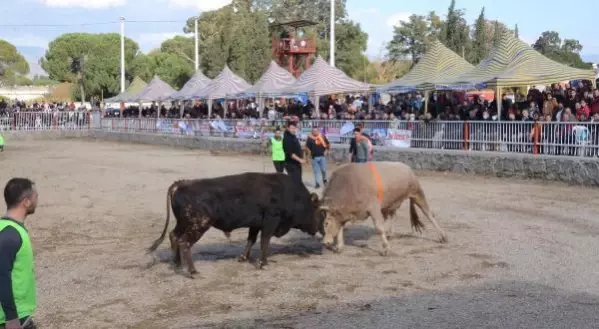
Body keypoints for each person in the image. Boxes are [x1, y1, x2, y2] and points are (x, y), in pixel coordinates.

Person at [0, 178, 38, 329]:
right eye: (35, 197)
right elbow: (1, 276)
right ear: (26, 202)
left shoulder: (6, 228)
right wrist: (12, 318)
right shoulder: (11, 235)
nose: (37, 201)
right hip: (12, 317)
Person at [282, 122, 306, 186]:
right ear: (288, 128)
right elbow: (290, 153)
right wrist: (300, 160)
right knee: (295, 182)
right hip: (291, 164)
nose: (293, 130)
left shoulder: (293, 136)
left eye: (294, 128)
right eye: (291, 128)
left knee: (298, 181)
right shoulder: (287, 138)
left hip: (296, 163)